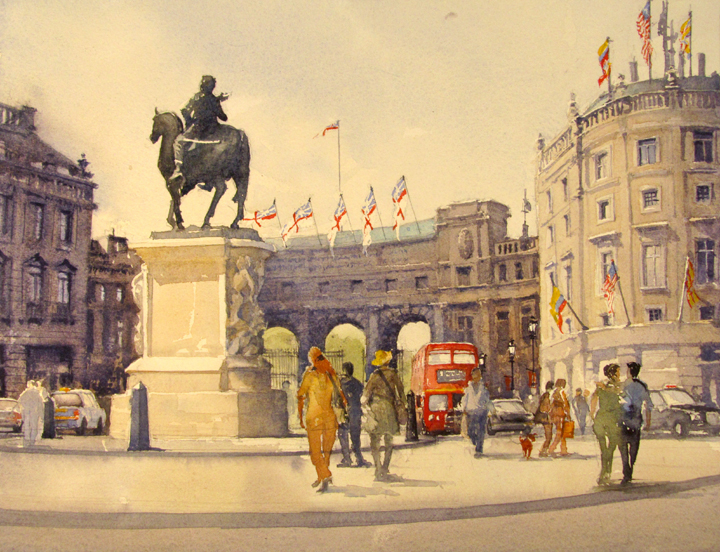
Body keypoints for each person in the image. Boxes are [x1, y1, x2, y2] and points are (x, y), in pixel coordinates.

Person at [297, 347, 347, 493]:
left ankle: (325, 475)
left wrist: (300, 417)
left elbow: (300, 396)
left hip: (314, 418)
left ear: (312, 360)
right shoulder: (332, 375)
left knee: (315, 452)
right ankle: (322, 477)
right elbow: (342, 397)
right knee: (326, 451)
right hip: (330, 418)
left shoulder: (310, 376)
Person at [170, 75, 229, 187]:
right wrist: (218, 102)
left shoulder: (196, 97)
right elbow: (223, 117)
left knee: (179, 142)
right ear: (212, 87)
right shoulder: (213, 100)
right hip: (212, 131)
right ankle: (210, 181)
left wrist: (189, 120)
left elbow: (183, 108)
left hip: (197, 128)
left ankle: (178, 170)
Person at [362, 350, 406, 482]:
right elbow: (401, 390)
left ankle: (377, 468)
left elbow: (366, 394)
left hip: (376, 408)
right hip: (389, 408)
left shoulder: (374, 376)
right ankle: (385, 468)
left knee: (374, 440)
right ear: (388, 361)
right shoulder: (393, 374)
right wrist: (403, 404)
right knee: (388, 440)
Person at [619, 362, 653, 486]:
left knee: (623, 447)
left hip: (623, 418)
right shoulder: (643, 386)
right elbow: (648, 405)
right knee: (634, 447)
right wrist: (648, 423)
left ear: (628, 372)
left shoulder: (623, 385)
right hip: (636, 420)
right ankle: (630, 468)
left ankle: (626, 470)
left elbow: (617, 401)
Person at [591, 364, 623, 485]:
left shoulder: (603, 386)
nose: (619, 375)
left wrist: (592, 413)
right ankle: (606, 471)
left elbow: (594, 398)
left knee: (605, 447)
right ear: (612, 374)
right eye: (618, 372)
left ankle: (605, 471)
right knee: (611, 445)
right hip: (611, 418)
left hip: (601, 417)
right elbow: (617, 392)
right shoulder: (614, 386)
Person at [337, 362, 371, 468]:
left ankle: (347, 459)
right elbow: (363, 396)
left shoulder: (339, 383)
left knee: (343, 435)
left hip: (344, 411)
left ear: (343, 370)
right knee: (355, 436)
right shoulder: (357, 383)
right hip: (355, 411)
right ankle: (359, 458)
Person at [461, 367, 495, 458]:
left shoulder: (483, 388)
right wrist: (463, 409)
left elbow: (487, 400)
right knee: (470, 431)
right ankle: (474, 440)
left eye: (479, 374)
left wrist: (492, 410)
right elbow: (465, 399)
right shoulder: (468, 388)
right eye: (476, 374)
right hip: (471, 411)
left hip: (482, 411)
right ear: (472, 376)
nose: (478, 376)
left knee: (481, 431)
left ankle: (479, 449)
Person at [548, 378, 571, 456]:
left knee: (561, 432)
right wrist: (568, 414)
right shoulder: (562, 392)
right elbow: (565, 404)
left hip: (554, 414)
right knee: (560, 432)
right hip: (560, 413)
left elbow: (550, 404)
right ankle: (552, 448)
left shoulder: (553, 392)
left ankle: (563, 449)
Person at [18, 380, 44, 447]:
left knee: (27, 425)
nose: (27, 385)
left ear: (30, 384)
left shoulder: (27, 392)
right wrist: (40, 413)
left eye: (28, 384)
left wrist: (24, 407)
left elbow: (20, 400)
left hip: (28, 411)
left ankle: (27, 439)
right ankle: (32, 439)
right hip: (35, 412)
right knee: (34, 426)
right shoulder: (37, 393)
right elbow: (40, 403)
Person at [537, 380, 554, 457]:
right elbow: (545, 408)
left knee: (549, 436)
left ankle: (544, 450)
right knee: (549, 436)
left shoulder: (545, 395)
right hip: (546, 418)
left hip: (546, 418)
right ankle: (543, 451)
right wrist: (550, 410)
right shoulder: (547, 396)